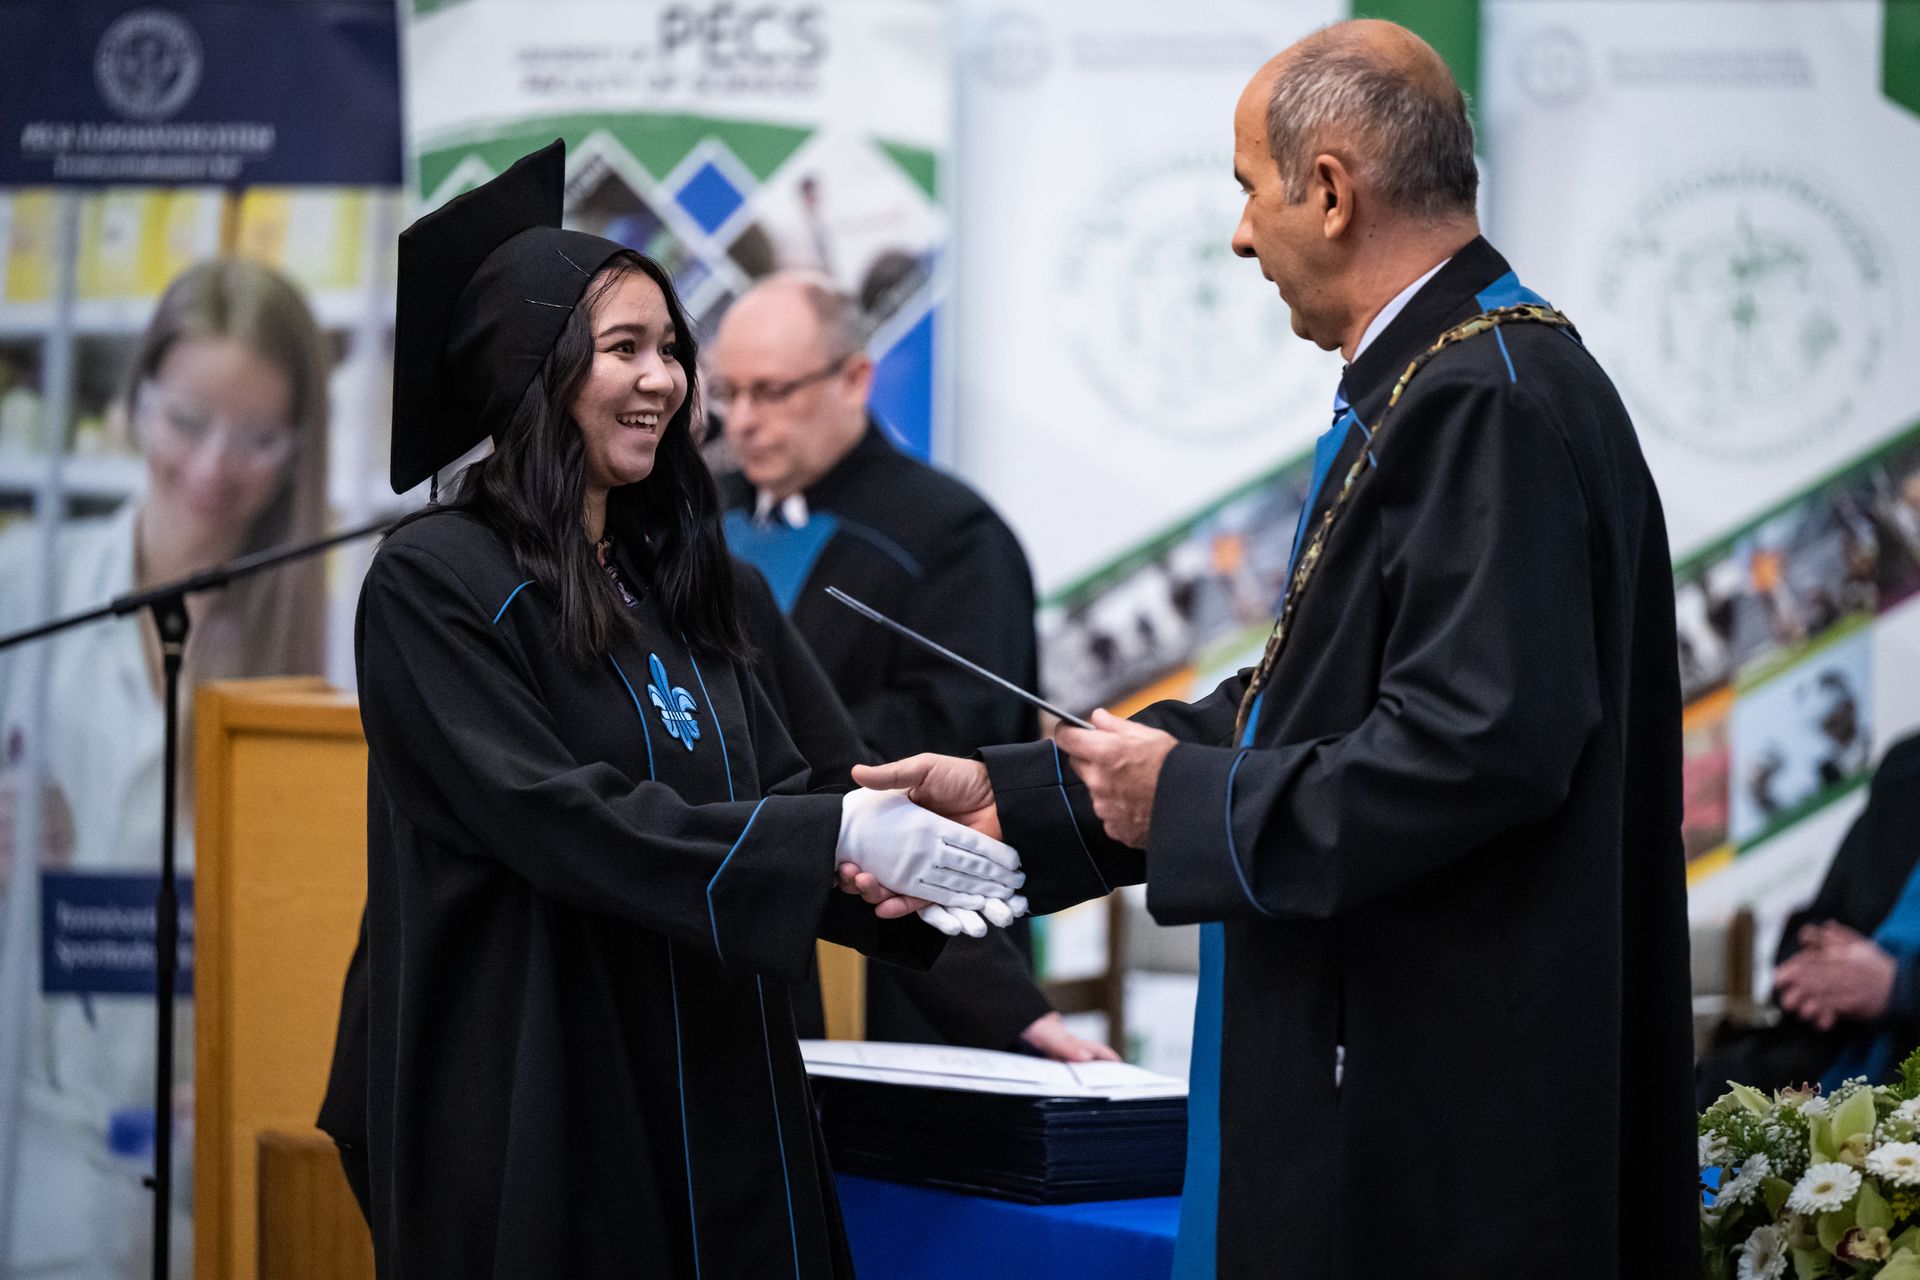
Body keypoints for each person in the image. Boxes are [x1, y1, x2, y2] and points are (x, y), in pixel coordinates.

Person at [844, 21, 1695, 1279]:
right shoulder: (1452, 376)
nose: (1242, 236)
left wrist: (1188, 797)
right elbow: (1309, 704)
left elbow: (1480, 742)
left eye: (1250, 189)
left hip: (1435, 1113)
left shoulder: (1484, 397)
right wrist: (1017, 800)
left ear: (1332, 191)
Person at [348, 141, 1024, 1278]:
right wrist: (827, 834)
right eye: (624, 348)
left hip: (722, 1067)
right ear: (531, 369)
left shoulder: (677, 576)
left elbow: (785, 785)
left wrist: (886, 868)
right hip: (552, 1078)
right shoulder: (435, 580)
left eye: (671, 348)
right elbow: (555, 815)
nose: (664, 379)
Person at [0, 258, 331, 1277]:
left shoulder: (326, 639)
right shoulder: (28, 585)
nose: (214, 466)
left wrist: (268, 1066)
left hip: (216, 1143)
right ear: (136, 399)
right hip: (37, 1136)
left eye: (258, 438)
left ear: (300, 446)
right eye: (187, 420)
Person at [713, 272, 1112, 1062]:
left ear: (854, 378)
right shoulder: (694, 515)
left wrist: (759, 756)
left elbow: (954, 734)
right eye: (728, 394)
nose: (745, 421)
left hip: (899, 935)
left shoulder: (953, 538)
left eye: (772, 391)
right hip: (736, 910)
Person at [1697, 732, 1920, 1105]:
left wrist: (1899, 987)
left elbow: (1889, 986)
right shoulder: (1908, 768)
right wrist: (1816, 974)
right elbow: (1816, 923)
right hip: (1823, 1054)